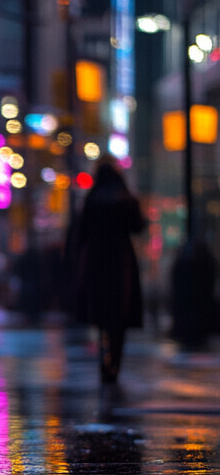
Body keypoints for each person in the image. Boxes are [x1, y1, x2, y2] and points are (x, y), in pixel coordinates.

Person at [74, 156, 145, 384]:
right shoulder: (125, 198)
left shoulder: (92, 199)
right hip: (121, 261)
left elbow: (81, 233)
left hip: (98, 261)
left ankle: (104, 355)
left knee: (102, 311)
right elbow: (138, 226)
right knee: (120, 313)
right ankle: (115, 359)